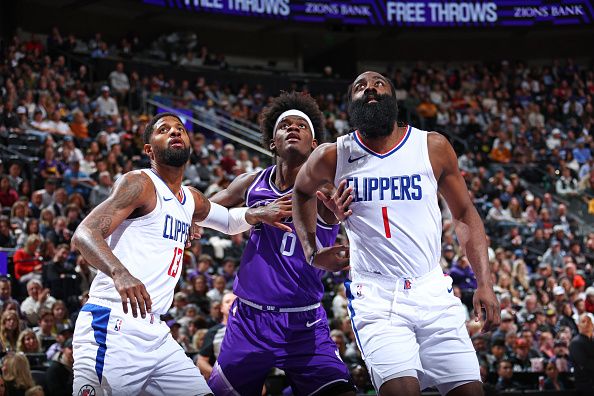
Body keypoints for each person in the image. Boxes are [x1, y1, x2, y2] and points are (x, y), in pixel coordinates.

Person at [293, 71, 500, 396]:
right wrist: (311, 249)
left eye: (379, 84)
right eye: (360, 86)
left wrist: (484, 283)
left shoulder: (432, 146)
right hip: (376, 297)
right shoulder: (333, 155)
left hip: (431, 290)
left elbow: (464, 213)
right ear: (351, 105)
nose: (370, 89)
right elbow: (300, 192)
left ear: (394, 98)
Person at [71, 113, 286, 395]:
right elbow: (84, 234)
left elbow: (230, 222)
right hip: (112, 324)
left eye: (180, 129)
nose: (174, 132)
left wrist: (259, 214)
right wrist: (119, 272)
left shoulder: (190, 198)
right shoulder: (140, 183)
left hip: (156, 333)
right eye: (164, 130)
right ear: (149, 149)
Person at [206, 92, 355, 396]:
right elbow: (199, 212)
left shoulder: (327, 190)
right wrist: (253, 214)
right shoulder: (251, 184)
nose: (292, 128)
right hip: (249, 321)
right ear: (273, 141)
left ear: (314, 145)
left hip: (305, 323)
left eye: (301, 126)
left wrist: (347, 224)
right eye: (284, 125)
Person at [569, 313, 594, 393]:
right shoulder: (576, 342)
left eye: (589, 321)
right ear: (578, 325)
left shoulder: (592, 340)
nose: (587, 324)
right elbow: (585, 363)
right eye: (583, 321)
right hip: (586, 386)